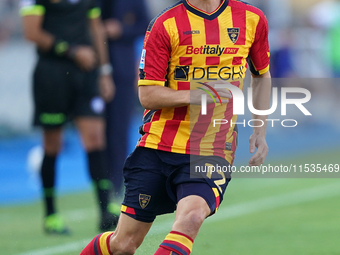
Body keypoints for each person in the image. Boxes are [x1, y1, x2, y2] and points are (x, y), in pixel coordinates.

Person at [80, 0, 271, 254]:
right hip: (158, 145)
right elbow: (147, 95)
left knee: (191, 218)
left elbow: (261, 75)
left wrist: (260, 129)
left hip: (211, 148)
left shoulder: (252, 19)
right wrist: (196, 94)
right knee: (123, 244)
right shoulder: (165, 23)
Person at [20, 0, 117, 234]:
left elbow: (95, 27)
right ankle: (51, 215)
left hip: (86, 74)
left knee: (95, 139)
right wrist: (72, 51)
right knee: (52, 145)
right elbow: (31, 32)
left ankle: (106, 211)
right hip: (52, 75)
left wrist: (104, 71)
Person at [99, 0, 150, 212]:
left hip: (122, 70)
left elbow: (146, 25)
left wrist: (121, 29)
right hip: (91, 71)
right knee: (96, 135)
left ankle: (115, 186)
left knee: (118, 131)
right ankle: (99, 186)